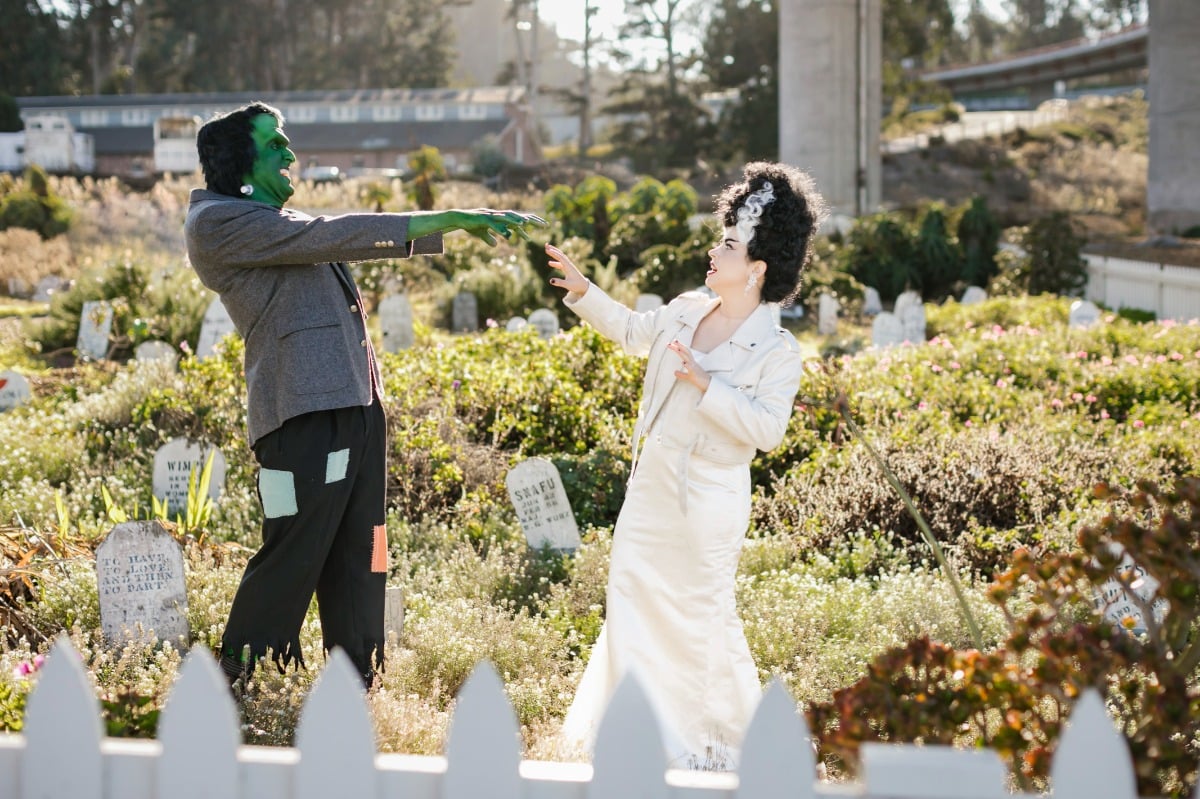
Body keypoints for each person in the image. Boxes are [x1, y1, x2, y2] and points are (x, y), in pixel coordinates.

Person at [183, 102, 544, 689]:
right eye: (275, 145)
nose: (290, 154)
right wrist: (445, 218)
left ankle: (357, 683)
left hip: (353, 406)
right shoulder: (219, 223)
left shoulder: (274, 220)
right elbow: (333, 235)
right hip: (299, 416)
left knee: (363, 550)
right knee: (295, 548)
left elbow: (325, 239)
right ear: (240, 161)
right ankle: (239, 682)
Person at [546, 161, 825, 768]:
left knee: (700, 615)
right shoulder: (684, 309)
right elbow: (630, 330)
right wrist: (581, 288)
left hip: (710, 497)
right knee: (631, 598)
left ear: (757, 268)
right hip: (651, 488)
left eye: (728, 244)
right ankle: (632, 735)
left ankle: (719, 744)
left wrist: (705, 385)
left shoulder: (779, 351)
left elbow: (768, 431)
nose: (713, 250)